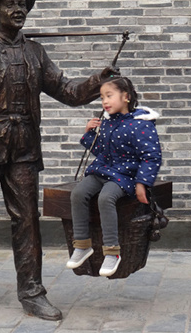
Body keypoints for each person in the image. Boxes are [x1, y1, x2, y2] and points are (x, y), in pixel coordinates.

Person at [0, 0, 118, 320]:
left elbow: (67, 91)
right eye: (10, 4)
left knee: (27, 222)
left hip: (24, 147)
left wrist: (97, 81)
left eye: (23, 5)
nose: (19, 9)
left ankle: (32, 292)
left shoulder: (35, 52)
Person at [67, 77, 162, 277]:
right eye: (102, 98)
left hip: (124, 175)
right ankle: (82, 245)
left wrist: (142, 183)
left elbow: (151, 157)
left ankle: (112, 252)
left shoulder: (141, 125)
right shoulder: (108, 123)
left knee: (106, 198)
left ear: (125, 97)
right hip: (102, 170)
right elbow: (103, 151)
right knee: (78, 193)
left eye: (109, 96)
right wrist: (89, 134)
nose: (105, 101)